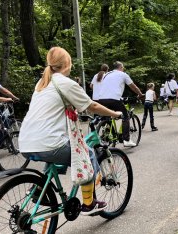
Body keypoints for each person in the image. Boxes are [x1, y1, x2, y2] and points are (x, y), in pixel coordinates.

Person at [18, 47, 122, 215]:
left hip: (25, 142)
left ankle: (39, 192)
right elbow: (92, 106)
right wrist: (114, 113)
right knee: (86, 156)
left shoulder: (42, 82)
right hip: (48, 142)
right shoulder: (65, 82)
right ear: (67, 64)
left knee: (53, 155)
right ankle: (89, 203)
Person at [96, 61, 144, 147]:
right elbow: (133, 86)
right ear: (121, 67)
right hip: (113, 99)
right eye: (123, 67)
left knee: (108, 117)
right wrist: (140, 94)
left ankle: (107, 134)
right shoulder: (123, 74)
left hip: (101, 99)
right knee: (125, 116)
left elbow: (109, 87)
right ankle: (126, 140)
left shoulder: (107, 74)